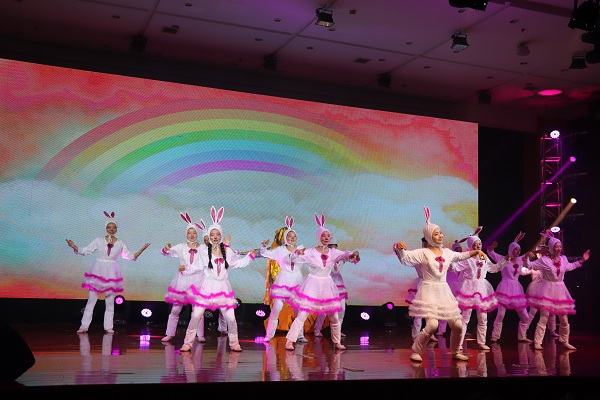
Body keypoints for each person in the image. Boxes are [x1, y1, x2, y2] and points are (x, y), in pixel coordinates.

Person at [393, 206, 487, 362]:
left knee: (457, 325)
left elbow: (461, 256)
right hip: (429, 290)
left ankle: (455, 351)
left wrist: (476, 251)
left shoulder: (447, 252)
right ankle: (416, 351)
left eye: (441, 232)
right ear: (429, 236)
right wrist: (399, 247)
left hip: (444, 291)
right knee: (432, 325)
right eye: (436, 234)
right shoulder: (423, 253)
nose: (440, 235)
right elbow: (405, 258)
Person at [180, 206, 259, 352]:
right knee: (196, 316)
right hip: (207, 287)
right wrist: (185, 269)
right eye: (212, 234)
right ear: (209, 236)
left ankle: (234, 343)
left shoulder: (228, 252)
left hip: (223, 288)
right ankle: (187, 343)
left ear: (221, 235)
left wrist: (250, 256)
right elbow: (197, 266)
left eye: (217, 234)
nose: (215, 236)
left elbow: (238, 263)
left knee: (231, 318)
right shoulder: (204, 252)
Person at [284, 213, 360, 351]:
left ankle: (337, 342)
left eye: (328, 236)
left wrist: (352, 255)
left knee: (334, 317)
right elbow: (294, 259)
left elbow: (345, 254)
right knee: (302, 315)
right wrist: (297, 253)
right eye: (323, 236)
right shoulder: (310, 251)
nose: (326, 238)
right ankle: (290, 341)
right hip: (312, 284)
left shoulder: (333, 252)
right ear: (319, 237)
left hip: (326, 285)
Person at [66, 211, 150, 334]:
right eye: (109, 227)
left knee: (110, 300)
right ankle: (84, 326)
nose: (111, 229)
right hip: (98, 270)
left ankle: (108, 326)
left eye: (113, 227)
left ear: (116, 229)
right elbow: (86, 250)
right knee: (92, 299)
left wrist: (142, 249)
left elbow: (129, 256)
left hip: (111, 271)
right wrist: (74, 246)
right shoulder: (99, 240)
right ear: (106, 228)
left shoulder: (120, 242)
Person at [161, 213, 228, 343]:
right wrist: (165, 249)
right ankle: (169, 333)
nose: (192, 235)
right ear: (186, 234)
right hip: (182, 281)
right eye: (189, 233)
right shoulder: (181, 247)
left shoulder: (203, 248)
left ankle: (200, 334)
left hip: (198, 280)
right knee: (176, 309)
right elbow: (167, 253)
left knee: (197, 310)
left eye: (194, 233)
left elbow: (213, 255)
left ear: (197, 234)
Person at [523, 231, 591, 351]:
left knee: (564, 319)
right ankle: (538, 342)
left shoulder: (563, 259)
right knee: (544, 317)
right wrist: (526, 257)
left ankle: (564, 341)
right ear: (551, 248)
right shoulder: (544, 260)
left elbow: (570, 266)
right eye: (556, 246)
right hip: (548, 289)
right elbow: (530, 266)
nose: (559, 249)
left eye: (560, 246)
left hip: (560, 290)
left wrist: (582, 260)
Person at [452, 227, 503, 351]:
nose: (478, 246)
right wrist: (449, 259)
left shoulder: (484, 258)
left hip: (482, 288)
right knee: (465, 317)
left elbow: (494, 268)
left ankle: (481, 342)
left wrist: (504, 262)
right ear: (471, 246)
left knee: (483, 317)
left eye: (479, 244)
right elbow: (455, 268)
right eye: (475, 244)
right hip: (469, 288)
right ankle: (458, 343)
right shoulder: (467, 259)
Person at [259, 216, 308, 343]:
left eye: (294, 236)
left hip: (297, 280)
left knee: (299, 310)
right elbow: (266, 253)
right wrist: (263, 247)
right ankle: (269, 334)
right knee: (276, 308)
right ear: (285, 238)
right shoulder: (280, 250)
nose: (292, 238)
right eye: (289, 236)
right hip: (284, 279)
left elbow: (308, 258)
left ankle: (299, 335)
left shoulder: (301, 249)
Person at [486, 232, 532, 344]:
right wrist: (491, 248)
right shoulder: (503, 258)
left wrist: (529, 255)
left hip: (516, 289)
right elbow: (491, 253)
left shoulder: (520, 259)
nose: (517, 252)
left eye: (519, 250)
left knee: (525, 316)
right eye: (515, 249)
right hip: (505, 288)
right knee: (501, 314)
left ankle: (522, 336)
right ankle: (495, 336)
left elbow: (527, 258)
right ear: (511, 250)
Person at [312, 234, 357, 340]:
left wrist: (355, 255)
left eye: (334, 246)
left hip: (338, 284)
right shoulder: (324, 257)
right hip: (327, 283)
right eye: (330, 246)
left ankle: (338, 330)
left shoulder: (341, 256)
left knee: (342, 309)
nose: (333, 249)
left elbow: (351, 258)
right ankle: (317, 329)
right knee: (324, 309)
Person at [400, 237, 438, 342]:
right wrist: (400, 251)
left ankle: (430, 334)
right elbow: (406, 260)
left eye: (427, 243)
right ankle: (415, 336)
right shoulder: (418, 255)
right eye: (424, 243)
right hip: (421, 284)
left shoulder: (434, 255)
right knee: (419, 313)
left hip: (432, 284)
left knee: (431, 312)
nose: (426, 245)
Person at [437, 239, 467, 337]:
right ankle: (442, 329)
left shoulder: (465, 261)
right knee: (446, 308)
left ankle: (462, 328)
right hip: (450, 286)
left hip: (461, 287)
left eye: (460, 250)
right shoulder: (449, 260)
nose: (459, 252)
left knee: (462, 309)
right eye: (457, 250)